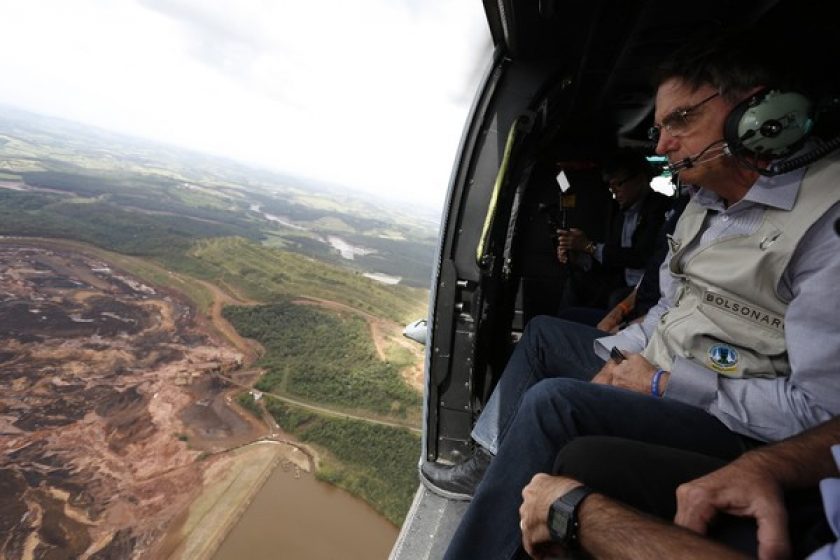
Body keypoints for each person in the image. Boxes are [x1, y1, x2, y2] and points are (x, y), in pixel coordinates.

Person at [436, 31, 840, 560]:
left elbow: (820, 415)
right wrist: (622, 356)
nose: (662, 145)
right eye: (658, 128)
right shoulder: (704, 206)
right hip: (663, 365)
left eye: (680, 120)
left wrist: (662, 384)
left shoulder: (825, 222)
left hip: (737, 423)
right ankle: (497, 461)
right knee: (545, 336)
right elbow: (669, 309)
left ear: (759, 113)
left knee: (553, 403)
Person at [518, 416, 840, 560]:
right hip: (820, 505)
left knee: (555, 403)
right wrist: (767, 465)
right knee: (587, 460)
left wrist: (573, 513)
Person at [556, 149, 671, 314]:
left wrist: (590, 246)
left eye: (618, 184)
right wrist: (580, 257)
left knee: (617, 297)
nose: (614, 191)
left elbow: (641, 256)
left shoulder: (660, 209)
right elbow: (613, 258)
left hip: (650, 287)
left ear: (640, 179)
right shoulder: (619, 215)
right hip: (620, 282)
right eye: (610, 186)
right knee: (575, 282)